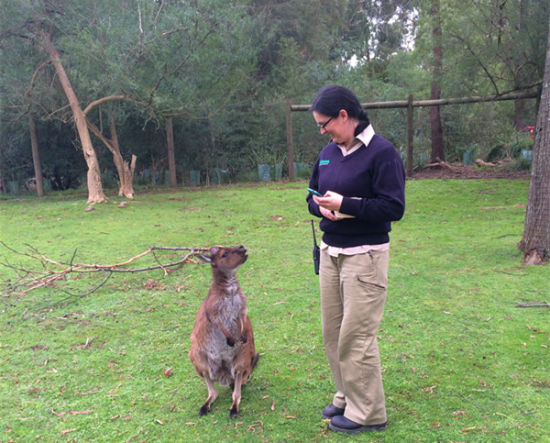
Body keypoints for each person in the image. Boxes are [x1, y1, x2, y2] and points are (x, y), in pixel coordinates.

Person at [306, 85, 405, 434]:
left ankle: (369, 412)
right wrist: (321, 206)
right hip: (331, 251)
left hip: (365, 255)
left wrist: (345, 205)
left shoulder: (383, 153)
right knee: (332, 332)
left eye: (325, 123)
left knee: (357, 335)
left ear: (345, 115)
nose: (323, 131)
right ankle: (346, 395)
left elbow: (393, 208)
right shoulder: (328, 153)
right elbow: (312, 194)